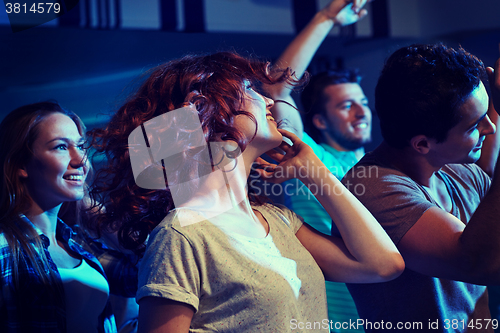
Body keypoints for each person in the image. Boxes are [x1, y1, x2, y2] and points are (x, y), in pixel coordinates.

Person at [87, 51, 404, 332]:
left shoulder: (278, 221)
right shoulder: (182, 235)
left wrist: (315, 172)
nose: (268, 101)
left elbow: (383, 265)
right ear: (205, 109)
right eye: (250, 89)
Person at [341, 43, 500, 332]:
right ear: (423, 144)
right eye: (474, 125)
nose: (490, 128)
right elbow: (479, 263)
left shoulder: (461, 171)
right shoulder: (370, 189)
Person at [265, 0, 371, 331]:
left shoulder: (380, 166)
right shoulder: (308, 156)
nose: (360, 112)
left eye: (363, 103)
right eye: (346, 105)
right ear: (320, 122)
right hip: (332, 319)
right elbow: (277, 85)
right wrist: (326, 17)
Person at [0, 101, 117, 332]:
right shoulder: (4, 247)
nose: (80, 160)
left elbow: (142, 273)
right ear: (22, 164)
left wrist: (90, 209)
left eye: (81, 146)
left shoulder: (79, 245)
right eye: (61, 147)